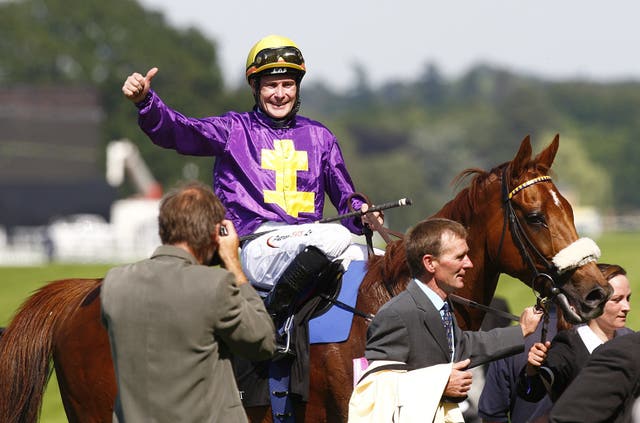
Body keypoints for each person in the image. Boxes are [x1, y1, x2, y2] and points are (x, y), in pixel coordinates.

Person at [121, 35, 382, 330]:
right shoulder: (234, 130)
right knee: (334, 237)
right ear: (255, 88)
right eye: (271, 85)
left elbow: (345, 197)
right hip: (254, 245)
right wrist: (146, 102)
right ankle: (270, 322)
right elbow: (178, 131)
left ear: (297, 87)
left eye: (288, 84)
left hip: (308, 245)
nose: (280, 94)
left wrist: (364, 213)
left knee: (382, 260)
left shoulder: (320, 136)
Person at [100, 181, 276, 423]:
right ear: (216, 234)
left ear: (163, 229)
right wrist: (233, 265)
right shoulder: (215, 285)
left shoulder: (115, 283)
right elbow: (263, 341)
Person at [362, 218, 543, 422]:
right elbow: (375, 388)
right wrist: (440, 383)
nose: (469, 263)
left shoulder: (442, 306)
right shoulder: (396, 314)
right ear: (430, 263)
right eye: (460, 257)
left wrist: (520, 331)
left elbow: (463, 346)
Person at [516, 263, 633, 405]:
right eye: (617, 300)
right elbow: (531, 392)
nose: (627, 307)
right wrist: (532, 371)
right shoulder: (568, 346)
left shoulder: (631, 341)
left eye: (628, 298)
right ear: (593, 301)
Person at [549, 330, 640, 423]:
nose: (625, 314)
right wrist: (533, 371)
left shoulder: (627, 335)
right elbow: (567, 417)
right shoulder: (625, 353)